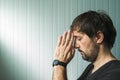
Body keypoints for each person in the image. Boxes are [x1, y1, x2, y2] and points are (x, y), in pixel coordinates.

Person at [52, 10, 120, 80]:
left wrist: (59, 64)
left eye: (79, 38)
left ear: (99, 37)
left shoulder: (115, 73)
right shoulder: (91, 68)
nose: (75, 45)